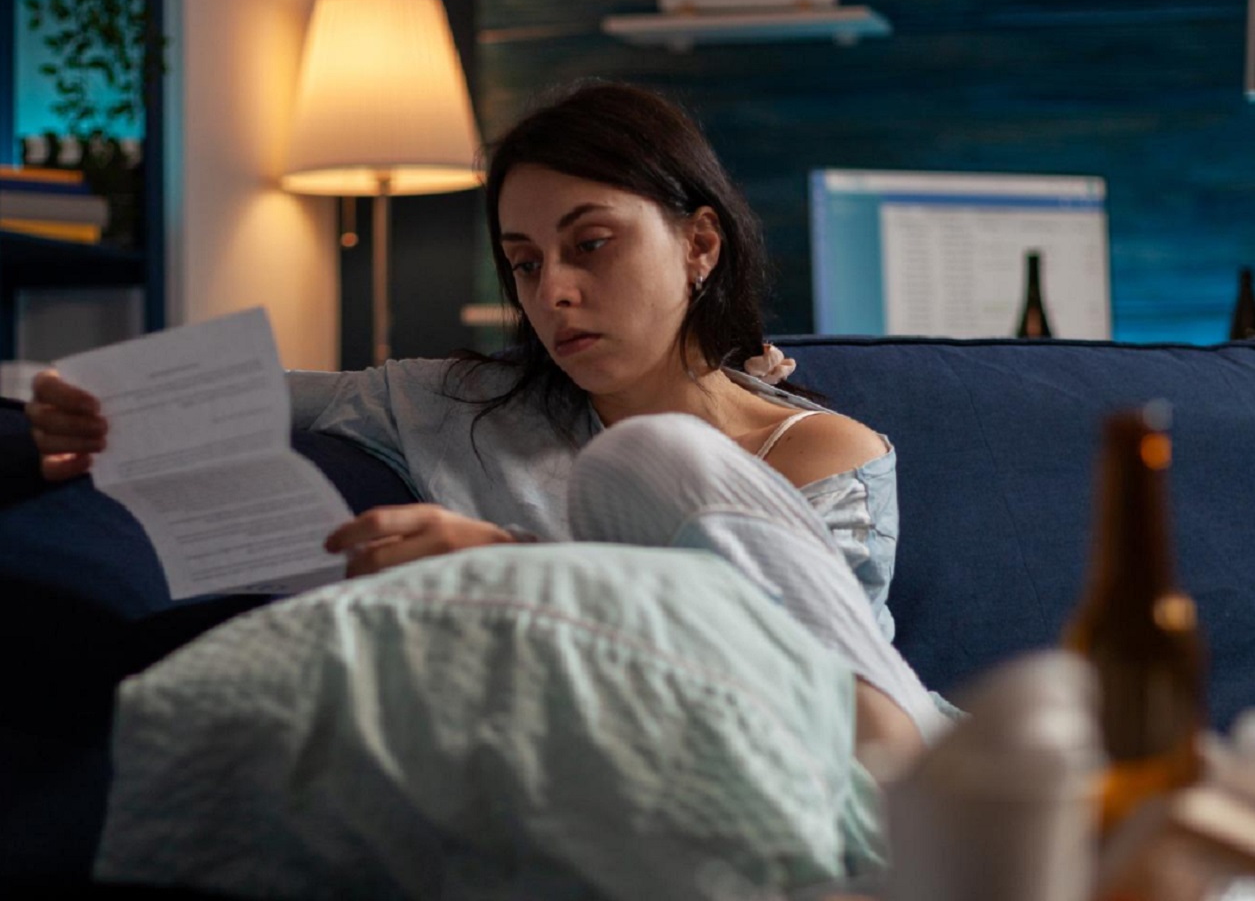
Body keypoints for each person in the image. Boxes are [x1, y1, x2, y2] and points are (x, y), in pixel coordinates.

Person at [25, 81, 945, 769]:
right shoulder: (459, 407)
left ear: (698, 244)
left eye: (590, 244)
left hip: (828, 765)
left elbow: (820, 707)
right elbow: (252, 394)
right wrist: (97, 400)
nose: (554, 292)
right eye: (522, 262)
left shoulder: (817, 453)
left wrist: (503, 564)